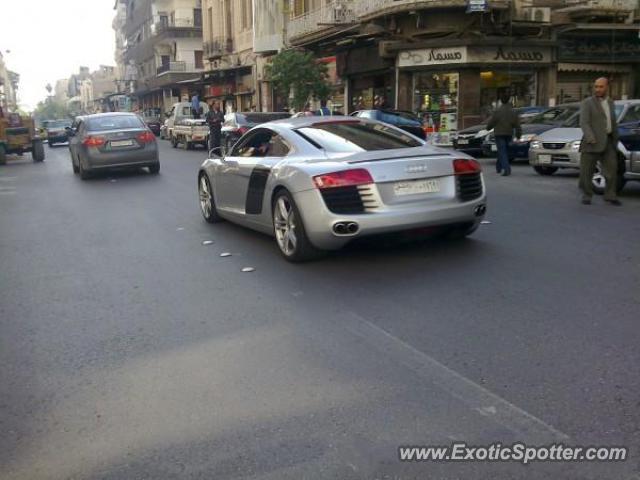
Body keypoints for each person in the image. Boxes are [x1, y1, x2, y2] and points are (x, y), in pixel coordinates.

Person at [578, 77, 621, 206]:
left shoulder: (611, 102)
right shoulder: (587, 103)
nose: (598, 89)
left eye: (601, 87)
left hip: (608, 141)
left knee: (612, 170)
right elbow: (584, 122)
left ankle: (610, 195)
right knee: (587, 172)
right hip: (592, 142)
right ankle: (587, 195)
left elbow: (612, 122)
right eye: (596, 86)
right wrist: (590, 137)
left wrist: (615, 139)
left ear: (607, 87)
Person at [487, 92, 521, 176]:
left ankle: (506, 169)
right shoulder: (513, 111)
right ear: (509, 100)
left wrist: (488, 128)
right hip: (509, 133)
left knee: (502, 151)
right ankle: (498, 167)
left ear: (501, 101)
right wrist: (518, 135)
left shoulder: (498, 111)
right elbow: (517, 125)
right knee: (504, 151)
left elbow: (492, 121)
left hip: (499, 134)